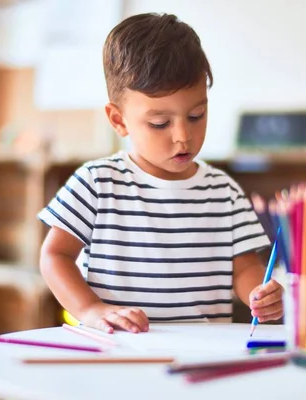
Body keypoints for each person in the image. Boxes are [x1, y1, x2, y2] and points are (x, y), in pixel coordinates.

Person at [38, 12, 283, 334]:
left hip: (200, 356)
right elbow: (55, 255)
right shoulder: (97, 182)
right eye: (160, 123)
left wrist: (259, 294)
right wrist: (92, 309)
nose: (183, 135)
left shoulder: (223, 191)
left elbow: (245, 268)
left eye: (196, 115)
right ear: (118, 119)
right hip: (118, 350)